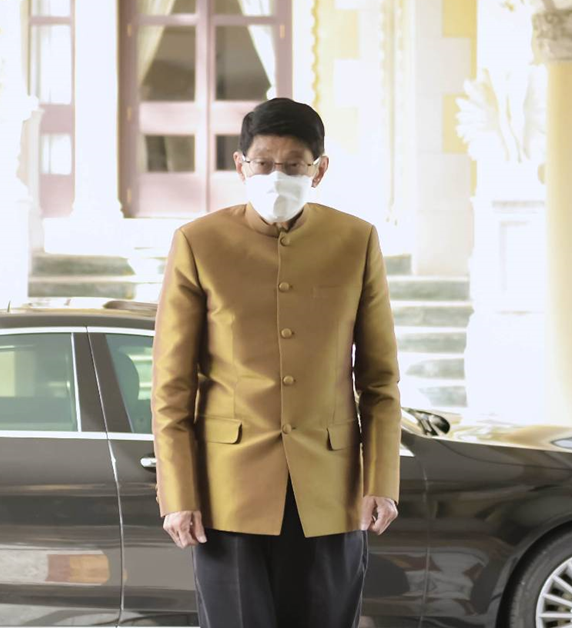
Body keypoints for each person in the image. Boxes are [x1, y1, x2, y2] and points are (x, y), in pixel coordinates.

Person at [151, 98, 402, 628]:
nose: (276, 177)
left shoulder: (356, 241)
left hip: (331, 493)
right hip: (228, 496)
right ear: (240, 165)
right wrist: (178, 494)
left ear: (320, 170)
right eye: (263, 164)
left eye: (293, 166)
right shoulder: (198, 243)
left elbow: (379, 381)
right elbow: (172, 386)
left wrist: (381, 480)